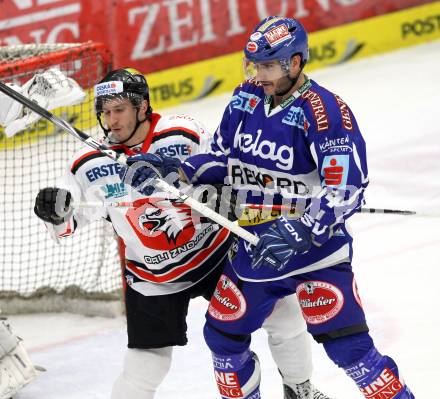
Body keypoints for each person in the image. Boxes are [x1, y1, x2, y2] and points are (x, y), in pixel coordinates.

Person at [124, 17, 416, 399]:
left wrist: (304, 228)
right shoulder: (245, 97)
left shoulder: (325, 112)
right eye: (254, 65)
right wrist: (177, 169)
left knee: (350, 350)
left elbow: (346, 188)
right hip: (255, 245)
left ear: (295, 63)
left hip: (316, 253)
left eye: (267, 66)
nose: (258, 75)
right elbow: (225, 160)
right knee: (223, 339)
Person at [33, 68, 334, 399]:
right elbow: (67, 223)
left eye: (119, 109)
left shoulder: (181, 134)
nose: (111, 120)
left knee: (284, 314)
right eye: (105, 112)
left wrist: (224, 191)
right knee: (147, 365)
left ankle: (299, 387)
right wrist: (55, 211)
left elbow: (225, 166)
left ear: (142, 107)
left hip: (217, 254)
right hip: (155, 277)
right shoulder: (88, 164)